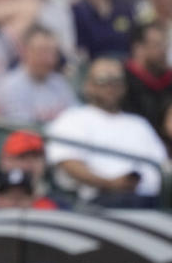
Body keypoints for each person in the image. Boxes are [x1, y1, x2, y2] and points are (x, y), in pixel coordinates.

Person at [45, 57, 166, 207]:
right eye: (103, 80)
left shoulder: (139, 124)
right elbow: (69, 163)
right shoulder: (72, 119)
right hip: (97, 202)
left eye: (116, 81)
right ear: (88, 85)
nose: (111, 86)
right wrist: (111, 184)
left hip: (150, 199)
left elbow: (162, 166)